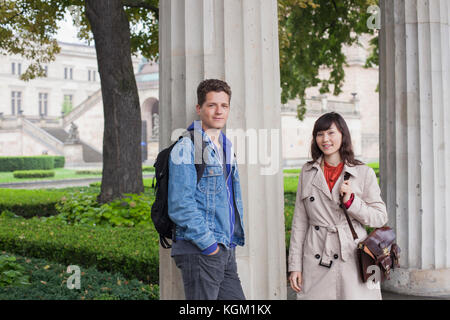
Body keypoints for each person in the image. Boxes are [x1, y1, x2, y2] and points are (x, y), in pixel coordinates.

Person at [288, 112, 388, 300]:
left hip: (352, 257)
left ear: (343, 135)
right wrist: (295, 266)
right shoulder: (307, 171)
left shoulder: (363, 172)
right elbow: (300, 222)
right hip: (317, 254)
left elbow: (380, 217)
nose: (325, 139)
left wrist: (352, 202)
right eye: (319, 134)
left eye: (331, 133)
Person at [167, 79, 246, 300]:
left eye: (224, 105)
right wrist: (209, 245)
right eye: (212, 105)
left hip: (225, 247)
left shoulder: (226, 146)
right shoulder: (187, 146)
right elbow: (180, 205)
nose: (219, 111)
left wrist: (223, 246)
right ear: (199, 108)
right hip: (202, 249)